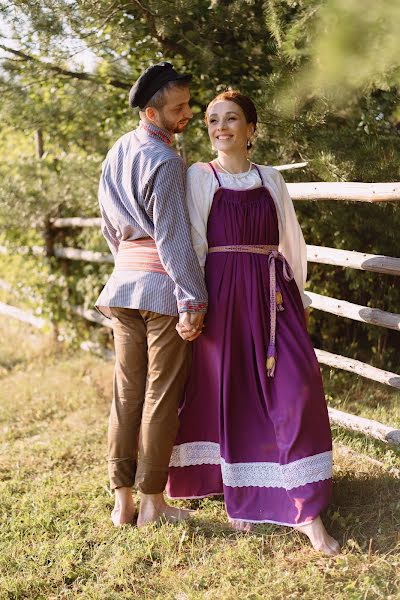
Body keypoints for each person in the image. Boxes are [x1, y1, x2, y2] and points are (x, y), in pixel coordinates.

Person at [168, 90, 340, 555]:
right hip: (223, 296)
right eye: (211, 120)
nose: (220, 127)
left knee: (297, 388)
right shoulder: (201, 177)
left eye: (231, 119)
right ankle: (243, 493)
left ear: (252, 130)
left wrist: (297, 297)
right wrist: (194, 304)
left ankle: (308, 509)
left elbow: (291, 240)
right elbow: (196, 245)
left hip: (272, 294)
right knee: (234, 392)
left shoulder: (271, 179)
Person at [95, 62, 208, 527]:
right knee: (160, 395)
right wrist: (193, 300)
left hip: (122, 285)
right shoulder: (164, 160)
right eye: (178, 108)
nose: (187, 114)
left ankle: (121, 500)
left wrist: (127, 267)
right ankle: (151, 503)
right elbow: (173, 237)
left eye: (187, 104)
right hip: (162, 290)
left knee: (126, 393)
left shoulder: (117, 150)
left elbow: (108, 226)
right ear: (150, 111)